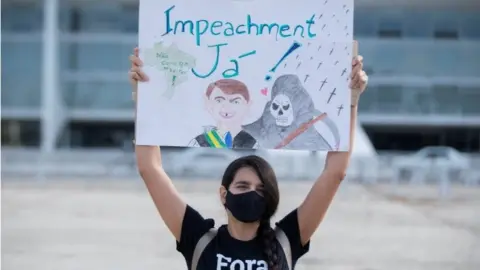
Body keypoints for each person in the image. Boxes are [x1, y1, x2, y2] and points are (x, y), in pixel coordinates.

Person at [129, 47, 368, 269]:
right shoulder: (198, 239)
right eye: (242, 186)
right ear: (224, 193)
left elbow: (335, 172)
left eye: (261, 188)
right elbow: (150, 168)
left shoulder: (287, 240)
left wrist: (350, 100)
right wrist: (146, 97)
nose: (252, 193)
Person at [188, 78, 258, 149]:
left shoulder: (252, 143)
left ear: (247, 105)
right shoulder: (199, 142)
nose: (226, 107)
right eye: (219, 100)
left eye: (235, 102)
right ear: (208, 103)